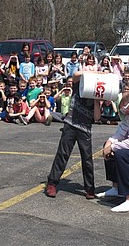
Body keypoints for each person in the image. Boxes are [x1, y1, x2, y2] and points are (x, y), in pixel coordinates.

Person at [45, 70, 101, 199]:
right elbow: (76, 75)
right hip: (70, 124)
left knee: (87, 159)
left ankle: (90, 189)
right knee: (62, 154)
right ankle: (52, 183)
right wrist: (95, 72)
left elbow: (97, 117)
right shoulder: (79, 87)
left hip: (85, 129)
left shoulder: (95, 95)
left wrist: (97, 100)